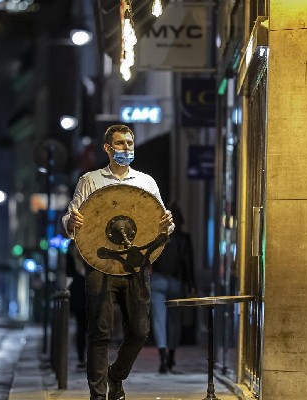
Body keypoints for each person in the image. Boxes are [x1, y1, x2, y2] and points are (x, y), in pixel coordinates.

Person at [62, 124, 174, 400]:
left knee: (139, 330)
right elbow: (70, 218)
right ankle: (98, 395)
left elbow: (159, 223)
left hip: (136, 266)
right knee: (99, 331)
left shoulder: (146, 183)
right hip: (100, 263)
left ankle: (116, 375)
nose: (126, 148)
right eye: (121, 144)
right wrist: (71, 221)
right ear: (107, 148)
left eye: (129, 143)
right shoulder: (90, 180)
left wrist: (168, 224)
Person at [150, 202, 195, 373]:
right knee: (174, 321)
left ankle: (162, 357)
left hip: (158, 280)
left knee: (159, 320)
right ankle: (171, 356)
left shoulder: (158, 236)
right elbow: (188, 263)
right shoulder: (184, 238)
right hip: (177, 281)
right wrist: (191, 284)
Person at [66, 239, 87, 371]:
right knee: (93, 327)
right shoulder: (90, 240)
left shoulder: (71, 246)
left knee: (81, 328)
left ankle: (81, 358)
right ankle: (89, 358)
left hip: (78, 289)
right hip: (91, 288)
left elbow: (68, 272)